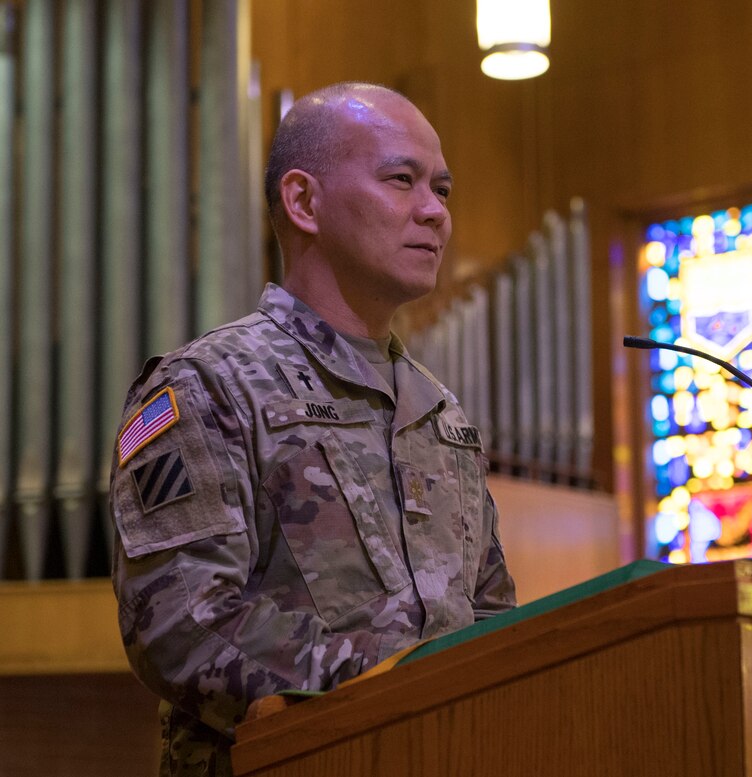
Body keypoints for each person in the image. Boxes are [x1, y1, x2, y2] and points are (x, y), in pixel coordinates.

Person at [110, 82, 517, 776]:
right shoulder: (206, 386)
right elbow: (181, 625)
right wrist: (398, 689)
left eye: (442, 189)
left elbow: (489, 615)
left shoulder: (440, 412)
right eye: (402, 180)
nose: (435, 212)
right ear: (303, 202)